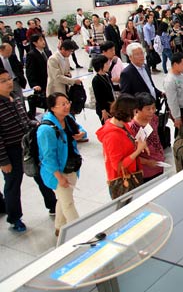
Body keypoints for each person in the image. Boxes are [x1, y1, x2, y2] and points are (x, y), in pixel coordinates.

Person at [0, 69, 56, 232]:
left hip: (28, 146)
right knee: (13, 184)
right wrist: (3, 161)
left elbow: (25, 120)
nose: (9, 82)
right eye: (3, 81)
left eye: (9, 79)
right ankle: (14, 217)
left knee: (40, 175)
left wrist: (38, 124)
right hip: (11, 151)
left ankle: (52, 204)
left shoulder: (16, 98)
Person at [38, 92, 86, 235]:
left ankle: (59, 226)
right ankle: (80, 233)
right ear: (53, 107)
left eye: (67, 102)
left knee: (64, 198)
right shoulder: (46, 129)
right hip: (58, 172)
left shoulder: (68, 118)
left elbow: (80, 128)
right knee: (68, 203)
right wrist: (59, 177)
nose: (67, 106)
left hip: (72, 166)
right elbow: (48, 158)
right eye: (62, 104)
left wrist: (81, 134)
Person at [96, 94, 148, 199]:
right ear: (127, 112)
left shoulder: (123, 125)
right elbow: (118, 166)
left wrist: (138, 144)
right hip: (123, 182)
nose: (135, 114)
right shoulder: (112, 136)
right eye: (134, 111)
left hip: (133, 172)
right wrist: (138, 151)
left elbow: (128, 141)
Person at [128, 93, 165, 183]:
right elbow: (131, 155)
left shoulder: (154, 119)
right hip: (145, 170)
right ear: (137, 110)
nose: (152, 111)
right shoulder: (132, 127)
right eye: (148, 109)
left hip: (159, 164)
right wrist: (147, 162)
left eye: (153, 108)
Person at [25, 34, 49, 118]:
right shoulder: (32, 54)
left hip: (49, 82)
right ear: (35, 43)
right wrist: (34, 84)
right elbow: (29, 71)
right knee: (41, 105)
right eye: (41, 40)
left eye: (43, 40)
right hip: (40, 84)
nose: (43, 42)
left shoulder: (46, 52)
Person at [91, 55, 115, 125]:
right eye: (106, 64)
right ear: (100, 65)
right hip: (104, 109)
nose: (108, 65)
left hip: (111, 106)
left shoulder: (106, 75)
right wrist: (103, 111)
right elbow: (98, 97)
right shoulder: (96, 80)